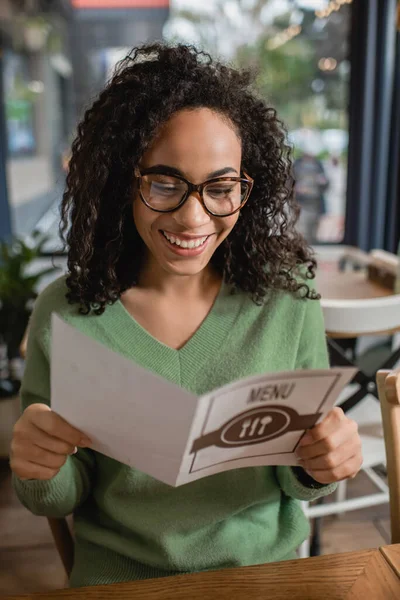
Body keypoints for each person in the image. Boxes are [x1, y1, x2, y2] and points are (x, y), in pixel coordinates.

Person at [10, 44, 362, 588]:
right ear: (123, 181)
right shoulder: (68, 313)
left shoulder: (289, 300)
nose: (193, 217)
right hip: (123, 582)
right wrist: (39, 467)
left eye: (220, 188)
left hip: (263, 576)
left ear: (248, 189)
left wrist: (320, 462)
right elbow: (61, 493)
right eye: (164, 184)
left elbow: (297, 476)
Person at [293, 149, 329, 244]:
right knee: (302, 230)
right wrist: (296, 188)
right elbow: (289, 182)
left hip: (315, 204)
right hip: (300, 203)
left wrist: (323, 182)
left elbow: (326, 184)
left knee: (313, 230)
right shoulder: (297, 165)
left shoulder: (318, 165)